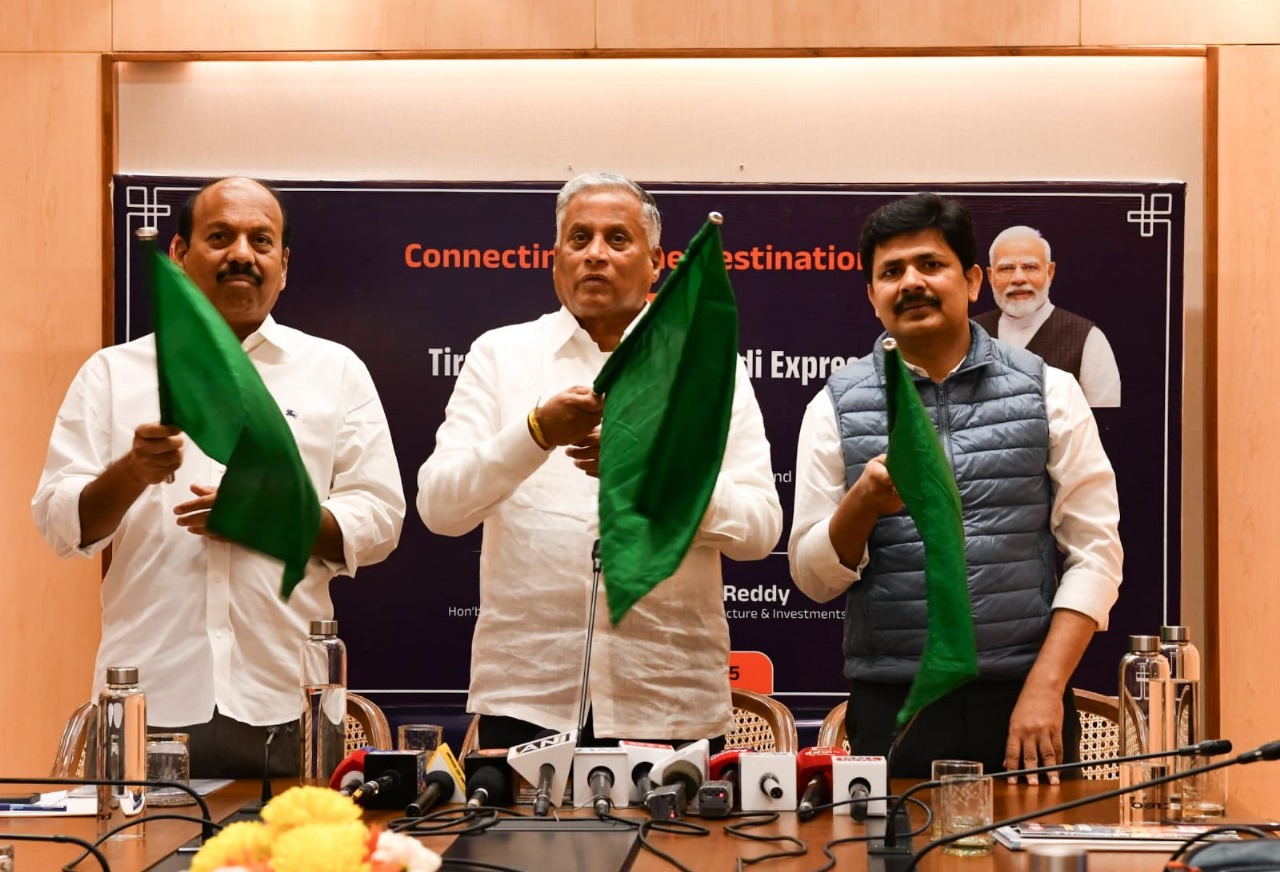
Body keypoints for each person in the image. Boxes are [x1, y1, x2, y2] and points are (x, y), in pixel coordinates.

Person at [32, 177, 406, 777]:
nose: (242, 254)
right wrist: (133, 471)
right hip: (146, 701)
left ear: (284, 266)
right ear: (180, 254)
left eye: (261, 240)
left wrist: (272, 516)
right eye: (220, 236)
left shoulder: (334, 371)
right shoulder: (112, 373)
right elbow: (59, 521)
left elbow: (381, 521)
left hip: (291, 702)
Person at [417, 172, 782, 751]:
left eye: (617, 239)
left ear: (656, 262)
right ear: (555, 259)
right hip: (529, 694)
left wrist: (658, 479)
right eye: (579, 238)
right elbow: (440, 507)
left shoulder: (707, 369)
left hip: (668, 696)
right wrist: (536, 433)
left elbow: (760, 530)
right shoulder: (501, 355)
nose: (595, 254)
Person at [788, 193, 1122, 781]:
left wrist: (1046, 688)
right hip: (894, 701)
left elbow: (1095, 554)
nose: (911, 282)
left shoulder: (1050, 390)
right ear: (872, 295)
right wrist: (863, 502)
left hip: (1024, 700)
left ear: (970, 281)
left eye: (930, 264)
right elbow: (813, 579)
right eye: (891, 272)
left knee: (1036, 840)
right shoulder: (834, 405)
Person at [975, 225, 1121, 407]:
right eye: (1006, 268)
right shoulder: (971, 334)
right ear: (990, 276)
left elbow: (1104, 418)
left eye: (1030, 267)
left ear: (1050, 272)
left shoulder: (1088, 339)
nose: (1018, 278)